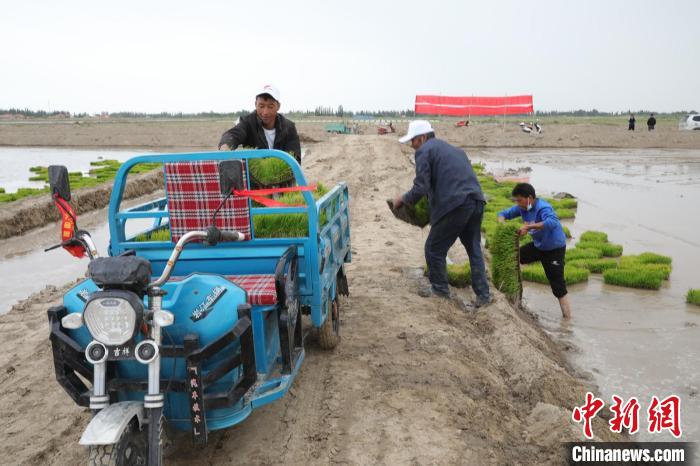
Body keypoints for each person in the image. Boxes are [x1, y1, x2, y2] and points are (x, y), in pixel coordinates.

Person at [392, 120, 491, 308]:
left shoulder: (424, 151)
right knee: (473, 248)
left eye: (412, 141)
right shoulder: (454, 150)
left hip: (456, 204)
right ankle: (483, 296)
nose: (412, 146)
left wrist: (403, 200)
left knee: (434, 248)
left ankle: (440, 290)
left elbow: (421, 187)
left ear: (421, 138)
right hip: (476, 201)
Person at [497, 183, 572, 319]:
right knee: (514, 257)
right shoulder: (522, 208)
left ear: (530, 198)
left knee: (558, 286)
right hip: (539, 246)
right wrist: (503, 225)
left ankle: (567, 321)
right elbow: (502, 214)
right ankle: (513, 295)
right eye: (516, 200)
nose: (518, 203)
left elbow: (552, 222)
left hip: (554, 249)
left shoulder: (543, 207)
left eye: (520, 200)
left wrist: (529, 227)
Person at [218, 84, 302, 164]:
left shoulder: (288, 127)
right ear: (255, 105)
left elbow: (295, 158)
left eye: (270, 106)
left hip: (282, 177)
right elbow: (233, 134)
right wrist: (225, 146)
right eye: (261, 106)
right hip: (254, 176)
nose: (265, 112)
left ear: (278, 106)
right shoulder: (248, 122)